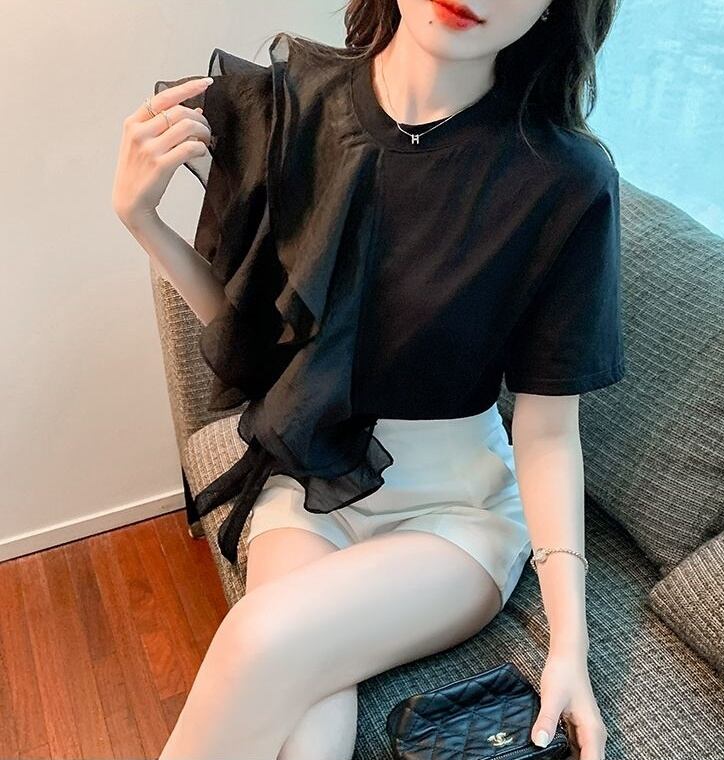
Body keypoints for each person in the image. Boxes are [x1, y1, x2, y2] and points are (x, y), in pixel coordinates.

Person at [113, 2, 624, 758]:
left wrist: (570, 647)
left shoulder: (562, 178)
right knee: (306, 734)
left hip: (457, 512)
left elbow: (548, 433)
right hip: (312, 479)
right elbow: (252, 336)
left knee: (259, 636)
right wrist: (143, 222)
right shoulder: (294, 107)